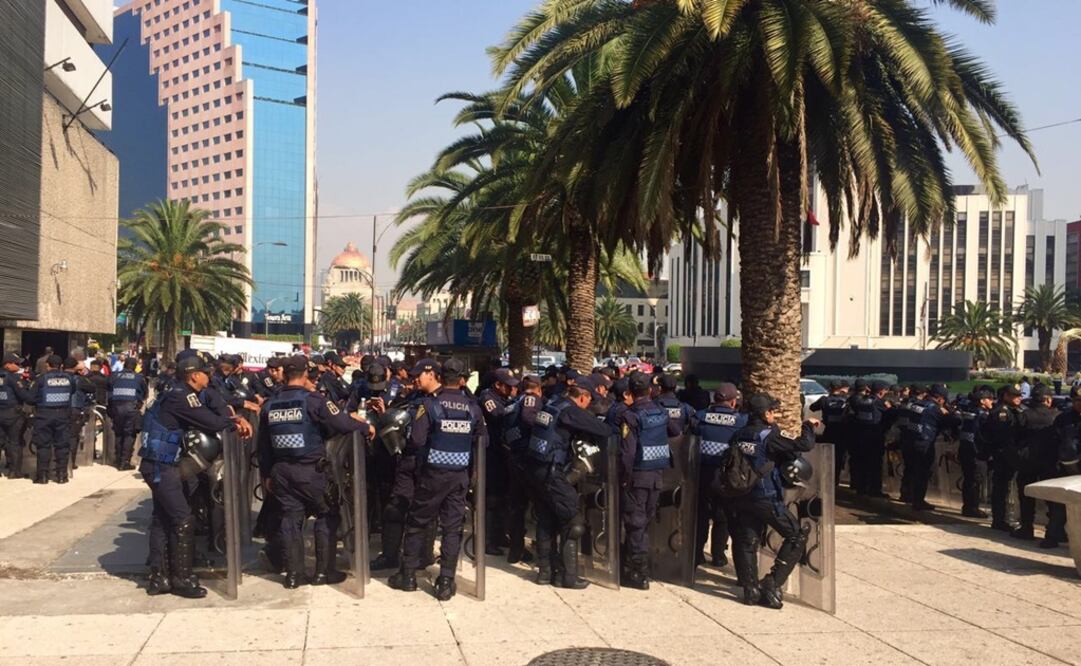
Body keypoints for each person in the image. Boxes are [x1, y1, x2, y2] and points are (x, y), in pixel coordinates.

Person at [140, 351, 253, 598]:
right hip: (163, 467)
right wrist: (237, 423)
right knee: (183, 519)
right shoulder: (183, 397)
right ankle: (182, 579)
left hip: (158, 465)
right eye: (205, 372)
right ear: (193, 376)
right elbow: (211, 422)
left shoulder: (172, 392)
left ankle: (160, 577)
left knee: (163, 519)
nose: (208, 376)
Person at [257, 355, 372, 588]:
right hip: (310, 471)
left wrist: (267, 475)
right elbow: (341, 423)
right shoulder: (314, 400)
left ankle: (293, 575)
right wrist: (365, 427)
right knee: (327, 514)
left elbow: (263, 446)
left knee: (290, 521)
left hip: (281, 472)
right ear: (306, 374)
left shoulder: (270, 404)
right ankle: (324, 572)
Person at [389, 358, 487, 600]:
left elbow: (418, 441)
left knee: (417, 523)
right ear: (462, 379)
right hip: (459, 476)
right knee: (452, 529)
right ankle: (446, 581)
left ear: (441, 377)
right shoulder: (472, 408)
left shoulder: (429, 405)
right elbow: (484, 440)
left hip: (432, 475)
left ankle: (408, 575)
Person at [728, 393, 818, 609]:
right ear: (765, 413)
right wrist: (808, 425)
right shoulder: (770, 436)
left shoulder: (739, 434)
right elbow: (804, 444)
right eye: (773, 411)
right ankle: (772, 583)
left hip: (742, 495)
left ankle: (750, 590)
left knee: (747, 541)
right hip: (766, 496)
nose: (775, 415)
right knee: (796, 535)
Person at [522, 384, 611, 588]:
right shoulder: (570, 411)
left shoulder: (551, 405)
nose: (589, 405)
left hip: (536, 469)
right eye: (589, 401)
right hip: (552, 472)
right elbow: (603, 430)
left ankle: (545, 573)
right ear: (582, 398)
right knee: (573, 522)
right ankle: (568, 577)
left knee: (546, 520)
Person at [370, 359, 438, 572]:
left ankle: (424, 556)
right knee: (394, 508)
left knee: (426, 511)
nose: (414, 379)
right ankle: (390, 555)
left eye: (419, 375)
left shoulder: (444, 399)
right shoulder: (413, 397)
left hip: (429, 463)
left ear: (432, 374)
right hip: (406, 462)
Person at [617, 372, 683, 590]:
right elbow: (675, 431)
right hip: (657, 477)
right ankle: (635, 566)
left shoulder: (631, 416)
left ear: (630, 392)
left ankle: (638, 574)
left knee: (635, 524)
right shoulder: (661, 411)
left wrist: (624, 479)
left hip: (637, 478)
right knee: (643, 523)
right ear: (650, 390)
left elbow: (628, 453)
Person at [689, 382, 746, 568]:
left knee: (701, 516)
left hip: (701, 475)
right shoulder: (740, 422)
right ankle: (718, 555)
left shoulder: (700, 417)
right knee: (722, 517)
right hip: (724, 477)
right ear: (732, 402)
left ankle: (696, 554)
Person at [478, 367, 519, 557]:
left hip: (502, 454)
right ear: (497, 385)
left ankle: (500, 534)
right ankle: (487, 541)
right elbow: (498, 416)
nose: (512, 390)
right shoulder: (488, 398)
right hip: (490, 454)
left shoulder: (505, 399)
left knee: (503, 498)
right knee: (491, 500)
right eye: (508, 386)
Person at [503, 374, 542, 564]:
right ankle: (544, 555)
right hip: (528, 458)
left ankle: (515, 549)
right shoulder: (531, 399)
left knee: (516, 507)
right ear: (539, 389)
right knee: (540, 505)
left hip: (514, 456)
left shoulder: (512, 404)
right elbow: (529, 418)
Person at [1012, 384, 1059, 541]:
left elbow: (1015, 437)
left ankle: (1027, 528)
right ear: (1047, 399)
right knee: (1052, 498)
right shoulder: (1056, 416)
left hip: (1027, 461)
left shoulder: (1025, 415)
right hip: (1049, 462)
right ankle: (1052, 531)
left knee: (1026, 496)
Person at [902, 385, 960, 511]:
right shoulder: (934, 409)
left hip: (909, 441)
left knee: (910, 469)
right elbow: (955, 421)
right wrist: (950, 412)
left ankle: (906, 495)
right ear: (940, 399)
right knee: (922, 473)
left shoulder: (915, 404)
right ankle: (918, 501)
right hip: (924, 444)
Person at [27, 354, 77, 484]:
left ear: (47, 365)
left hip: (44, 415)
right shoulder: (69, 378)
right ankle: (61, 475)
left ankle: (42, 476)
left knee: (43, 445)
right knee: (62, 445)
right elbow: (71, 392)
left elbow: (30, 398)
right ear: (61, 366)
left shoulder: (41, 379)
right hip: (63, 415)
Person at [982, 385, 1026, 531]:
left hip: (1006, 454)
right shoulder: (1002, 412)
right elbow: (1003, 437)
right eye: (1015, 395)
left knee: (1004, 487)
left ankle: (1001, 518)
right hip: (1002, 455)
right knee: (1001, 488)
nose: (1019, 398)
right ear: (1006, 396)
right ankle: (999, 520)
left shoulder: (1011, 410)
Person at [956, 388, 994, 518]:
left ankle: (968, 506)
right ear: (983, 401)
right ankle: (972, 508)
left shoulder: (968, 411)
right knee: (975, 481)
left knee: (969, 479)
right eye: (990, 399)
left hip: (965, 449)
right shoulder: (983, 415)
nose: (992, 401)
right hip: (976, 452)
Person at [109, 358, 148, 470]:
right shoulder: (139, 378)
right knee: (129, 434)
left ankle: (118, 459)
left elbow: (109, 388)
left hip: (116, 407)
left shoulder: (114, 376)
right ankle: (124, 462)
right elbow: (145, 393)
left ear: (124, 365)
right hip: (132, 408)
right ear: (135, 366)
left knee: (118, 433)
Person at [809, 381, 849, 483]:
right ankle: (836, 480)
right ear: (841, 389)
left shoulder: (824, 400)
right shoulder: (845, 400)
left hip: (829, 431)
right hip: (842, 432)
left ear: (829, 389)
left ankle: (827, 478)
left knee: (827, 455)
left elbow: (812, 407)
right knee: (839, 457)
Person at [0, 353, 31, 478]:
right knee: (15, 442)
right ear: (8, 364)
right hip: (13, 414)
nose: (19, 366)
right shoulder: (13, 378)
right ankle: (15, 471)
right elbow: (24, 396)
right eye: (16, 363)